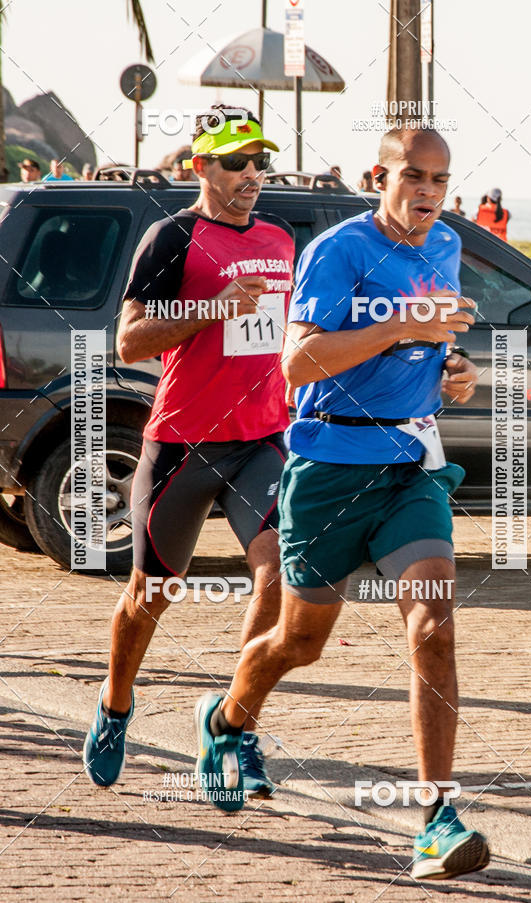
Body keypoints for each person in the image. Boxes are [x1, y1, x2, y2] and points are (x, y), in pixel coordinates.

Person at [196, 125, 490, 881]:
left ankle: (436, 816)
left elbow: (431, 349)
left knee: (434, 621)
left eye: (440, 180)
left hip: (410, 467)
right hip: (328, 469)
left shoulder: (446, 248)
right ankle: (228, 718)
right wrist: (400, 325)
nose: (428, 193)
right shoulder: (339, 250)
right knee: (300, 643)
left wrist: (454, 368)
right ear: (379, 176)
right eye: (414, 177)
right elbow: (298, 362)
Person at [82, 105, 295, 800]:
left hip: (262, 439)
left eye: (259, 161)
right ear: (199, 166)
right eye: (234, 161)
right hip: (182, 442)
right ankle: (116, 705)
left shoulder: (281, 238)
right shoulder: (171, 237)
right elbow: (129, 342)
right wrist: (216, 306)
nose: (250, 175)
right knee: (152, 593)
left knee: (278, 580)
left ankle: (235, 727)